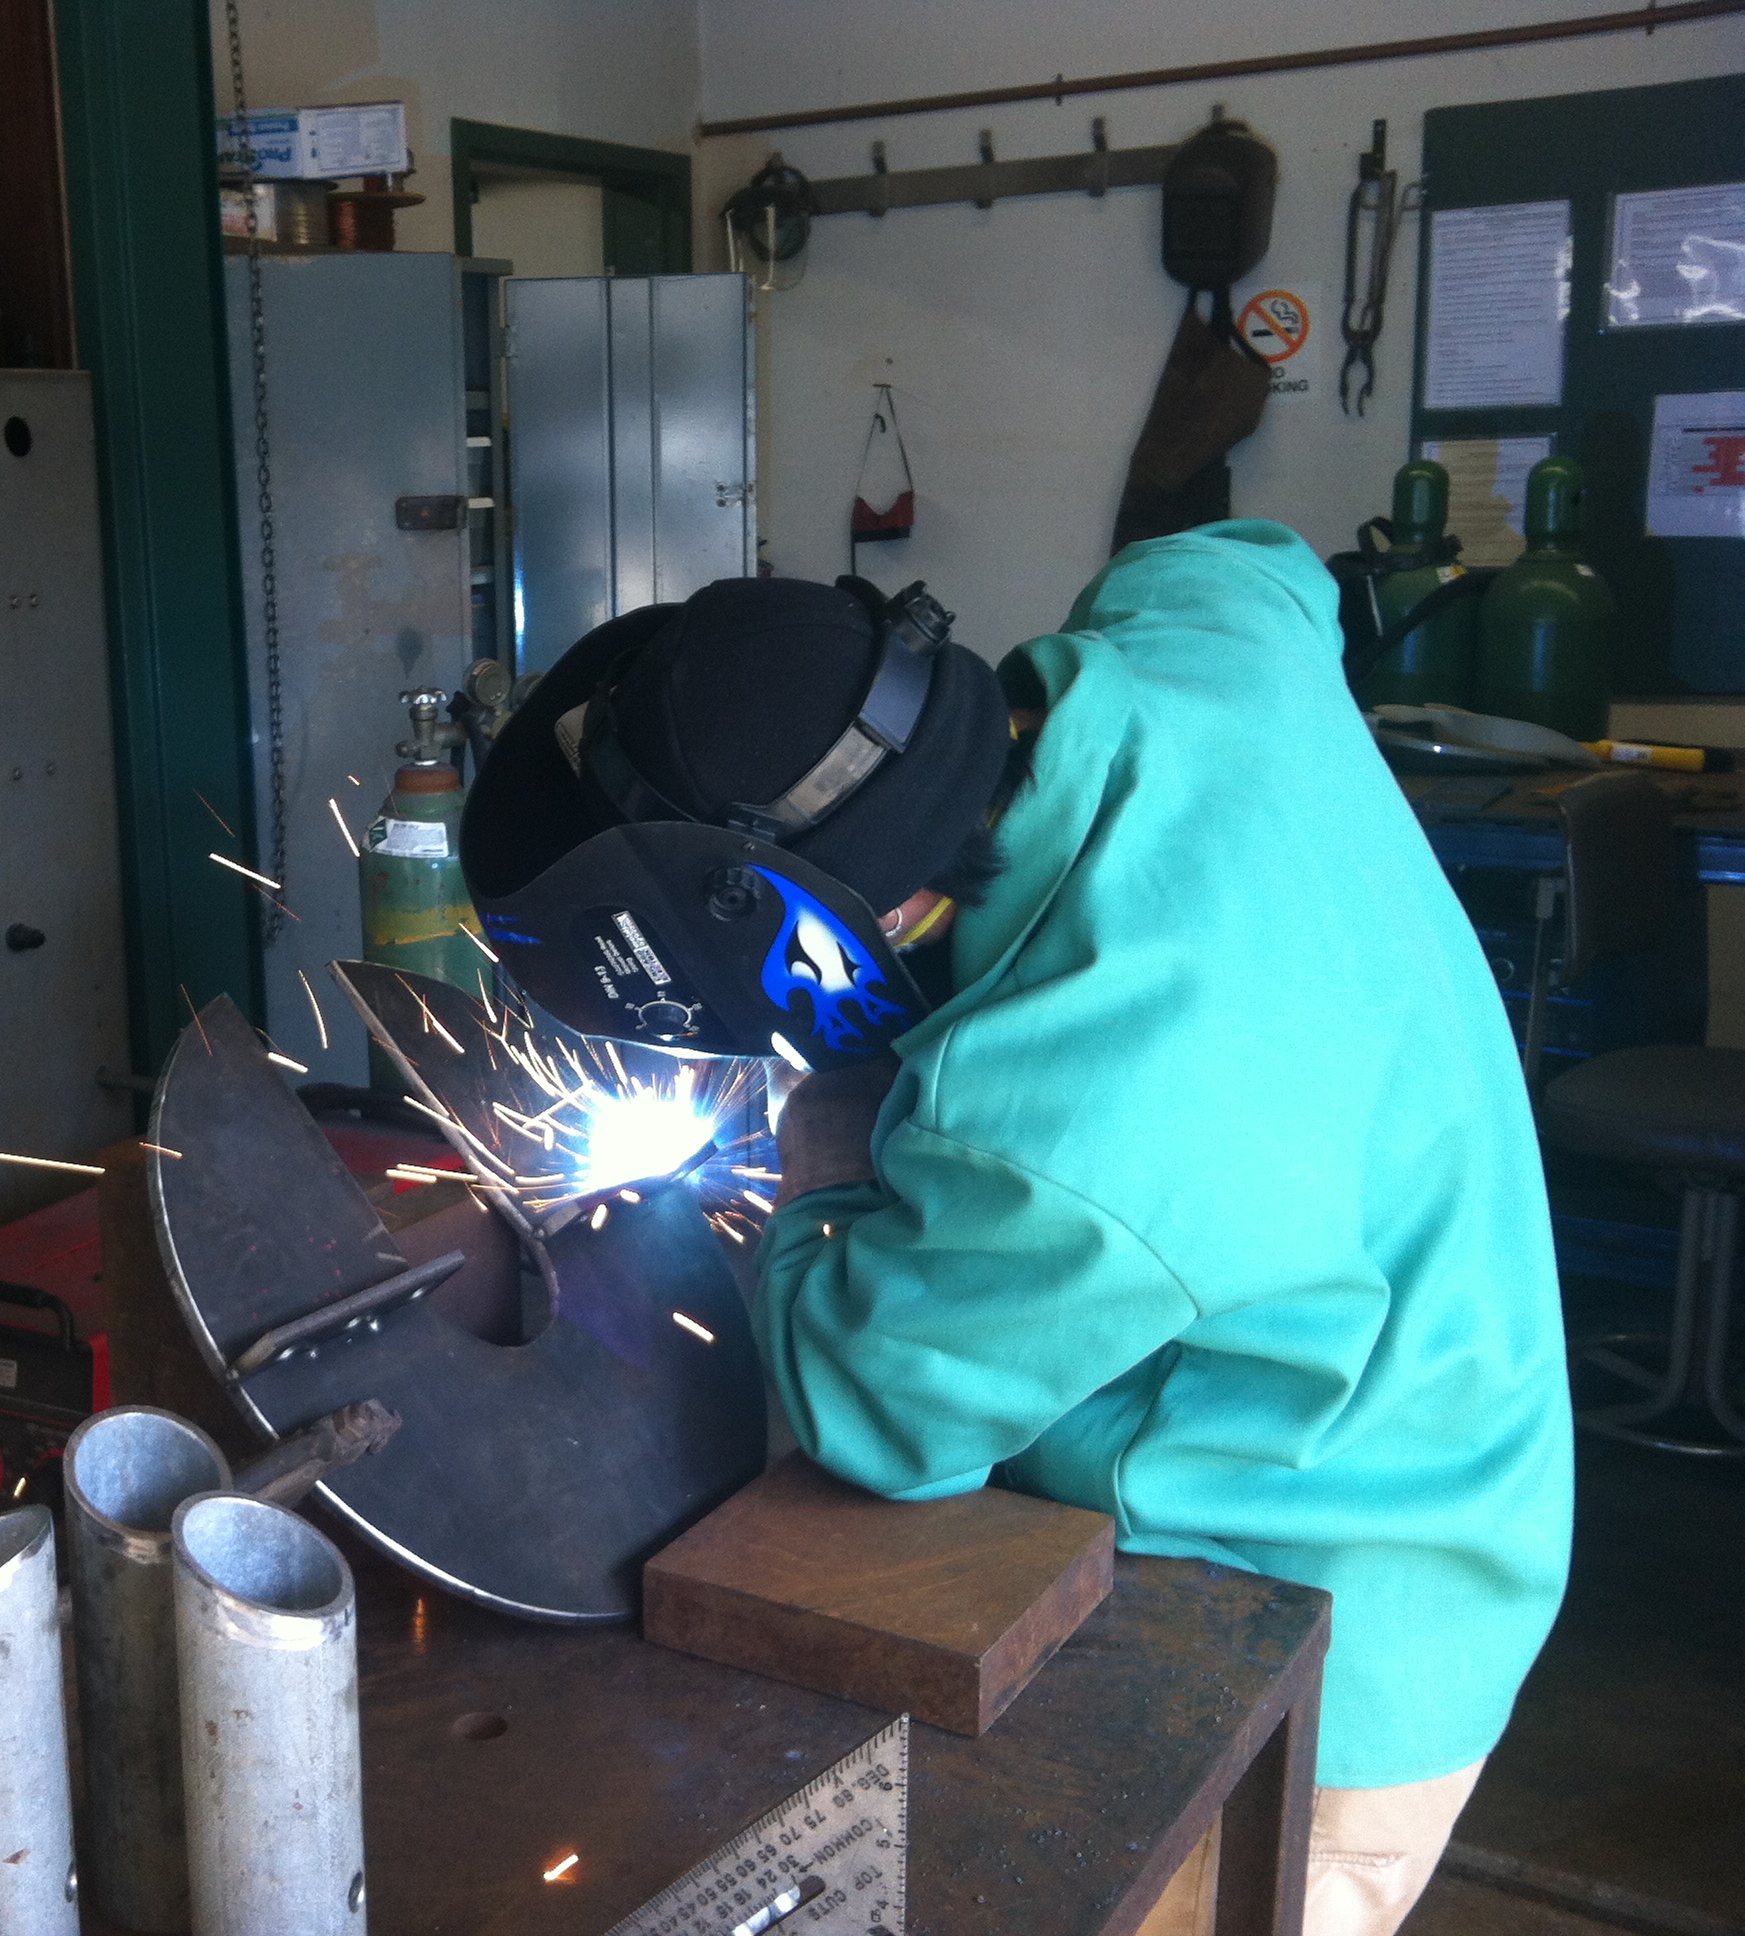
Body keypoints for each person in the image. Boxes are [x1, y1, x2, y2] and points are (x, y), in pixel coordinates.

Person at [462, 522, 1574, 1936]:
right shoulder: (1204, 648)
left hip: (1313, 1625)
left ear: (807, 933)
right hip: (1467, 1405)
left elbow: (877, 1418)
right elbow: (1253, 557)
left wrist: (818, 1163)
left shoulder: (1067, 1123)